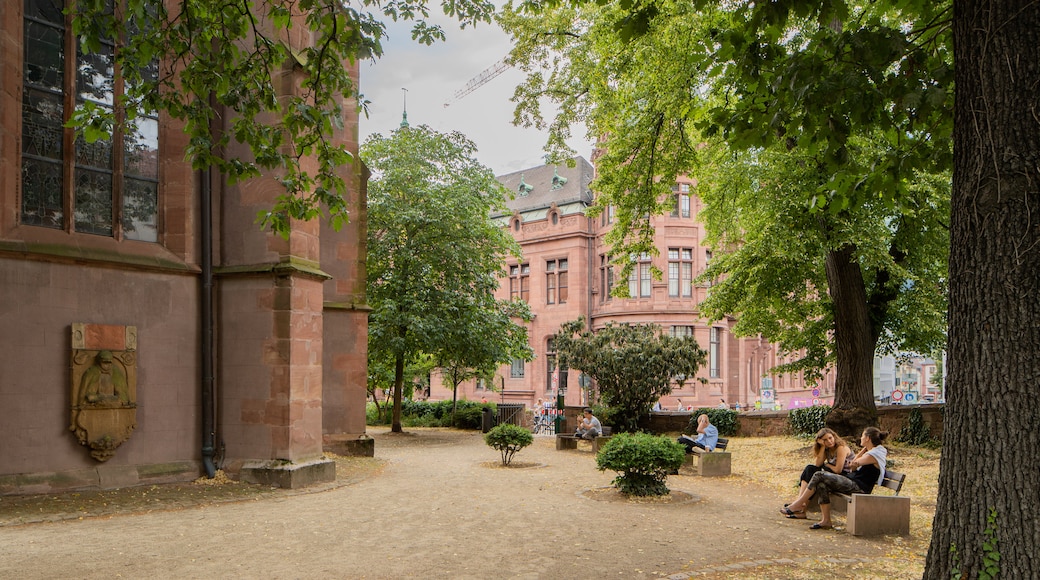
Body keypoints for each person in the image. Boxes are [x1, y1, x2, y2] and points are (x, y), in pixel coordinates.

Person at [780, 427, 889, 530]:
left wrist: (857, 460)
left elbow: (854, 463)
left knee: (819, 475)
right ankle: (826, 521)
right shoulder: (870, 452)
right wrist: (864, 449)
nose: (860, 438)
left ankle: (798, 504)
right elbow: (854, 465)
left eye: (862, 436)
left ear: (867, 438)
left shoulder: (874, 454)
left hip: (859, 487)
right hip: (853, 481)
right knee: (822, 484)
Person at [781, 428, 852, 518]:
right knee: (810, 469)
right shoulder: (827, 449)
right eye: (825, 440)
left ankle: (799, 505)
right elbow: (818, 464)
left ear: (834, 436)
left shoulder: (841, 448)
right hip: (833, 475)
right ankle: (800, 504)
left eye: (830, 438)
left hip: (844, 478)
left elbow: (838, 470)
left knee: (815, 476)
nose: (829, 441)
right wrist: (822, 447)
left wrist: (828, 465)